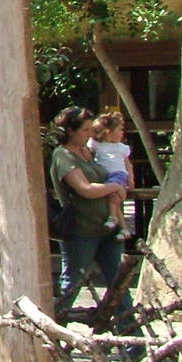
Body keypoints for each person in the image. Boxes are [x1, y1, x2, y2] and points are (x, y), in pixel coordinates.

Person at [49, 106, 132, 325]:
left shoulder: (90, 152)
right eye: (85, 130)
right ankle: (54, 335)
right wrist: (114, 186)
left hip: (107, 228)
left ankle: (134, 340)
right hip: (82, 230)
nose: (89, 134)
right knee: (71, 285)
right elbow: (84, 189)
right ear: (70, 131)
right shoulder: (63, 155)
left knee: (119, 285)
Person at [90, 111, 134, 236]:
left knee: (112, 197)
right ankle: (124, 228)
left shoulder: (121, 147)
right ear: (108, 132)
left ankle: (113, 217)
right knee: (114, 199)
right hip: (105, 176)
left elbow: (128, 165)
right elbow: (88, 153)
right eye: (119, 129)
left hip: (118, 174)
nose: (122, 132)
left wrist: (131, 179)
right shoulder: (97, 145)